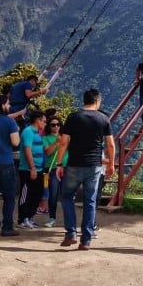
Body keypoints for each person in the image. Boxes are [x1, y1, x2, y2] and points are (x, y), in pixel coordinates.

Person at [56, 88, 115, 250]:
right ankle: (86, 240)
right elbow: (110, 144)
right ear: (97, 101)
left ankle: (71, 233)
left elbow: (64, 142)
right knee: (90, 201)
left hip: (74, 164)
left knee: (67, 197)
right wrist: (110, 164)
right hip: (94, 166)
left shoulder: (73, 117)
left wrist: (59, 164)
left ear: (84, 100)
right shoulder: (103, 119)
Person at [17, 110, 46, 229]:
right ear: (38, 120)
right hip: (27, 169)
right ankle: (22, 219)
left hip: (39, 170)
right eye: (43, 121)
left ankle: (30, 217)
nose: (45, 124)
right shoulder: (28, 132)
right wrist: (32, 168)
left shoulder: (37, 133)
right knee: (26, 194)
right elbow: (28, 150)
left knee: (37, 194)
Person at [0, 94, 20, 236]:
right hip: (5, 162)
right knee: (9, 196)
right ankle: (7, 227)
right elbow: (15, 142)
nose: (9, 106)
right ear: (2, 105)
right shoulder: (9, 122)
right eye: (8, 103)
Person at [42, 116, 67, 228]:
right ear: (49, 126)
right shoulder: (46, 138)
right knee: (53, 194)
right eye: (53, 125)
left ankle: (68, 219)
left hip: (66, 167)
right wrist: (56, 142)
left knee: (67, 194)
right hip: (52, 168)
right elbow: (47, 152)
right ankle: (52, 218)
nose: (56, 126)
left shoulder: (65, 137)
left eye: (58, 124)